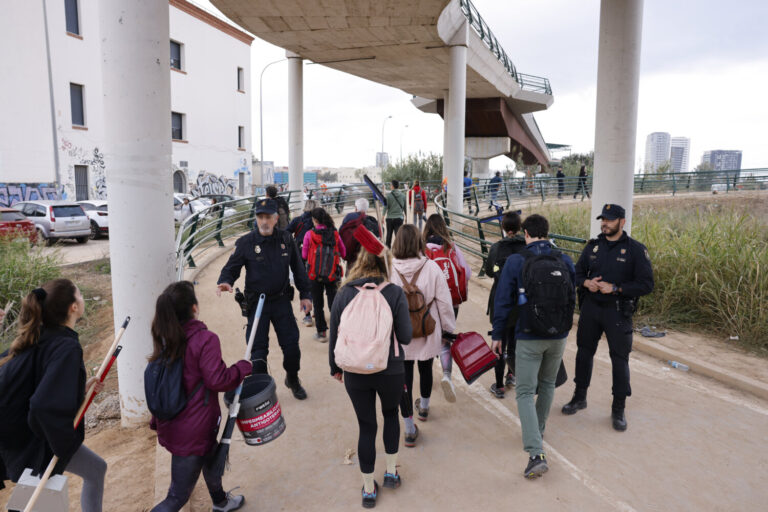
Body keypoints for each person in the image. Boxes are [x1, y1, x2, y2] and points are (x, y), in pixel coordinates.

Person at [0, 279, 107, 511]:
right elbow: (41, 405)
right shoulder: (65, 345)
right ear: (73, 307)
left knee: (96, 469)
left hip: (21, 432)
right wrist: (64, 445)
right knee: (35, 495)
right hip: (30, 438)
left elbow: (41, 385)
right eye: (79, 294)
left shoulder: (41, 335)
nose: (82, 299)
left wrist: (79, 390)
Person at [329, 225, 412, 509]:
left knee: (366, 427)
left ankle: (368, 490)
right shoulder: (395, 293)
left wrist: (335, 368)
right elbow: (405, 337)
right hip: (390, 369)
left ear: (360, 261)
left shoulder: (343, 293)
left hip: (354, 370)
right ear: (384, 262)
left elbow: (334, 335)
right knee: (390, 416)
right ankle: (390, 473)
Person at [149, 281, 251, 512]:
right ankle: (219, 500)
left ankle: (220, 501)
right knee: (177, 497)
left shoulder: (166, 336)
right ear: (194, 308)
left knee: (210, 454)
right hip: (193, 427)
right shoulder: (205, 339)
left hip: (173, 421)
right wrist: (242, 368)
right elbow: (219, 380)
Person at [492, 214, 576, 479]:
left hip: (528, 335)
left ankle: (535, 452)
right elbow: (572, 296)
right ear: (547, 232)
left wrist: (497, 334)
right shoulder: (564, 260)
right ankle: (537, 431)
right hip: (558, 336)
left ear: (525, 233)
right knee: (548, 384)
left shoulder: (517, 261)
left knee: (526, 391)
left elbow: (503, 301)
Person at [561, 204, 654, 431]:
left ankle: (618, 408)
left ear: (622, 222)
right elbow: (577, 272)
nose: (605, 223)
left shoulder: (635, 251)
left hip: (617, 311)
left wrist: (616, 288)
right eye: (603, 219)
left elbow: (646, 284)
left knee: (619, 360)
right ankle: (579, 397)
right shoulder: (593, 247)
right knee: (584, 354)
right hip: (591, 309)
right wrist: (586, 283)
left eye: (610, 220)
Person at [216, 198, 312, 400]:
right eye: (260, 217)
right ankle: (264, 392)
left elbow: (299, 269)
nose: (264, 221)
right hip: (257, 305)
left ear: (276, 218)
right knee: (258, 354)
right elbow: (231, 268)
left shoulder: (287, 239)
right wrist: (225, 281)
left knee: (292, 347)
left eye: (268, 216)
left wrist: (305, 295)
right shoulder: (246, 243)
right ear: (256, 219)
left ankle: (292, 379)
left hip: (281, 301)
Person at [390, 225, 456, 447]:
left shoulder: (389, 269)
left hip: (400, 333)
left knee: (403, 378)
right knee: (426, 368)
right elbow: (445, 303)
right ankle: (425, 408)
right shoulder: (432, 267)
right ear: (419, 242)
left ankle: (409, 429)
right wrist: (448, 330)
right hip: (427, 328)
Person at [422, 213, 471, 396]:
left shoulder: (422, 249)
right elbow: (466, 273)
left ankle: (425, 395)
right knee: (445, 341)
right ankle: (447, 376)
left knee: (427, 340)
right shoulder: (451, 247)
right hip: (451, 303)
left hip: (428, 304)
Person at [484, 211, 526, 398]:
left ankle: (499, 386)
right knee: (514, 344)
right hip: (521, 302)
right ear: (519, 228)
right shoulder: (526, 247)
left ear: (503, 227)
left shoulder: (496, 248)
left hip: (500, 302)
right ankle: (512, 374)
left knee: (499, 342)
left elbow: (489, 271)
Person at [302, 207, 346, 341]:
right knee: (333, 303)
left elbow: (304, 255)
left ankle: (321, 333)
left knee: (318, 304)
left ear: (315, 220)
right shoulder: (335, 233)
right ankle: (338, 331)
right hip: (332, 274)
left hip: (314, 274)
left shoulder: (309, 234)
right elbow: (343, 253)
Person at [287, 199, 318, 327]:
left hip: (300, 255)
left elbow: (286, 232)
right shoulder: (319, 221)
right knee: (315, 283)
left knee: (304, 284)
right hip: (316, 256)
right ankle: (317, 310)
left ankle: (307, 316)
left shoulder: (297, 220)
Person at [382, 180, 406, 247]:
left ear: (392, 186)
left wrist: (382, 216)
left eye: (390, 185)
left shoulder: (388, 196)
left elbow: (385, 207)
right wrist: (406, 217)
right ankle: (400, 250)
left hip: (389, 218)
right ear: (398, 186)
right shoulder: (403, 196)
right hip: (399, 218)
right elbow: (405, 208)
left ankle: (387, 251)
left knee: (388, 235)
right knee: (398, 236)